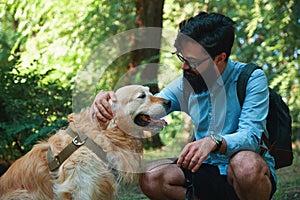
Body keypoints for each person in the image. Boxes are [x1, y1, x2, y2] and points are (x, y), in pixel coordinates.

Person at [91, 12, 277, 200]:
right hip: (203, 167)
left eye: (193, 62)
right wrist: (106, 99)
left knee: (245, 165)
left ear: (219, 58)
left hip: (242, 174)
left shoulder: (251, 78)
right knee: (151, 177)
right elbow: (147, 104)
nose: (184, 67)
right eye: (182, 58)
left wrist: (213, 141)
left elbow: (251, 136)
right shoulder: (185, 84)